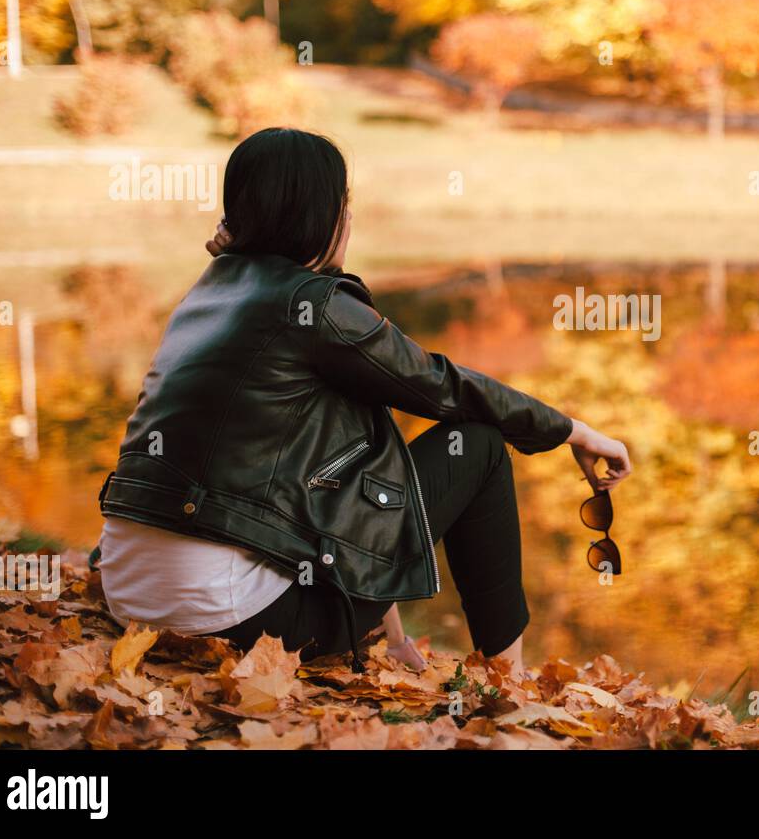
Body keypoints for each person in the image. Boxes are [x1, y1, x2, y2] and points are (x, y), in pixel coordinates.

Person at [95, 127, 630, 677]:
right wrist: (572, 430)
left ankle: (393, 639)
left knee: (357, 415)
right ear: (330, 215)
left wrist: (390, 634)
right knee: (480, 446)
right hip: (229, 617)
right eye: (344, 206)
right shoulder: (315, 305)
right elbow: (441, 385)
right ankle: (508, 680)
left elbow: (350, 454)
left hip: (131, 596)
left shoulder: (206, 295)